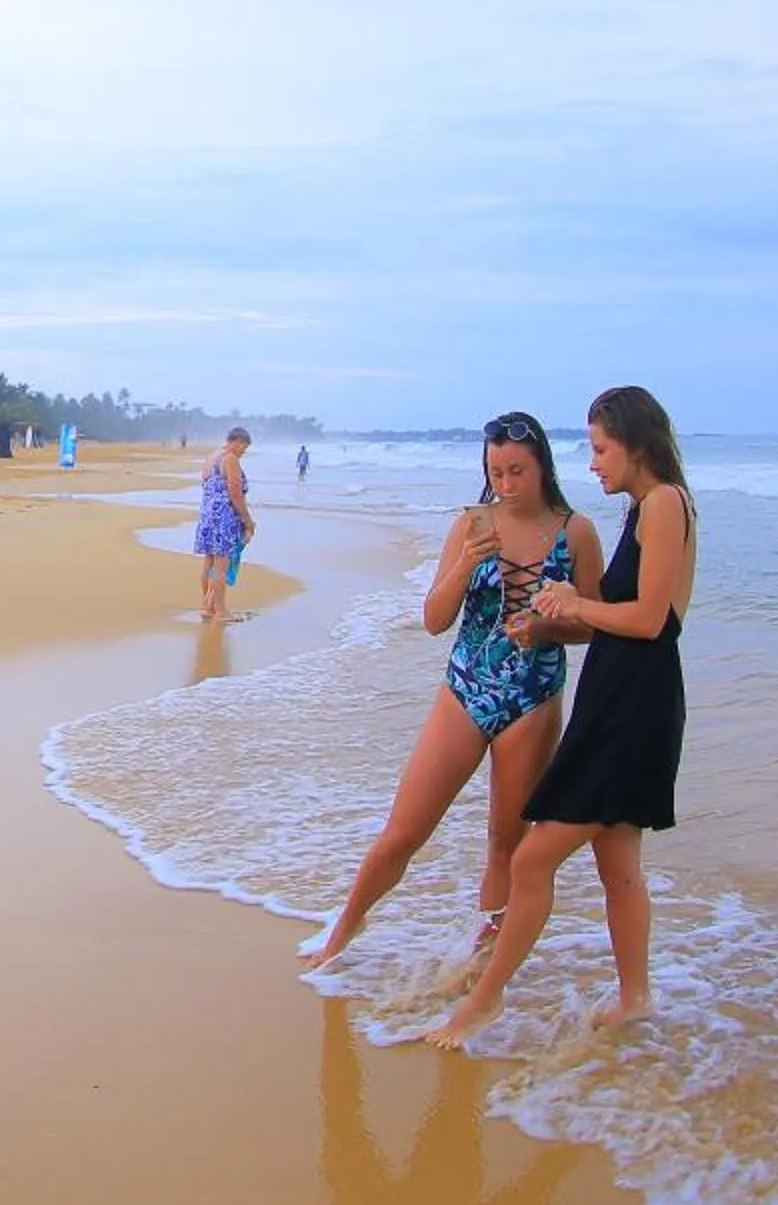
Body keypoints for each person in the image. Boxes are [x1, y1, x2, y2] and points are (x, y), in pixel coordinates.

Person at [425, 387, 697, 1051]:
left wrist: (573, 604)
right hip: (627, 697)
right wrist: (554, 622)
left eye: (602, 449)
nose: (594, 462)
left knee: (532, 860)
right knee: (618, 864)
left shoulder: (662, 503)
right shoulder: (647, 506)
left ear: (637, 446)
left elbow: (652, 621)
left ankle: (483, 1003)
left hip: (632, 708)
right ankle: (636, 998)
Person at [301, 415, 603, 971]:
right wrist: (467, 563)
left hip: (533, 695)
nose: (506, 484)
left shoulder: (575, 532)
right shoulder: (471, 525)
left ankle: (483, 958)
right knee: (404, 830)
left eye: (517, 471)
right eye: (496, 472)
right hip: (465, 687)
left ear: (542, 467)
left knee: (505, 842)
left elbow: (591, 625)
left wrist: (544, 627)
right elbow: (434, 619)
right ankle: (343, 930)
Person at [194, 427, 255, 622]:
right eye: (243, 448)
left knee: (210, 563)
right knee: (221, 566)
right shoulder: (230, 459)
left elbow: (208, 486)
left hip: (208, 513)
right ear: (237, 441)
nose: (243, 452)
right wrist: (248, 521)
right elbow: (235, 493)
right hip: (225, 516)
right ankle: (220, 612)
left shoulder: (212, 457)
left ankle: (207, 606)